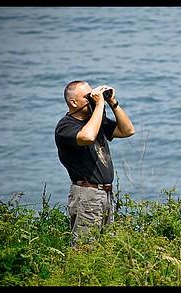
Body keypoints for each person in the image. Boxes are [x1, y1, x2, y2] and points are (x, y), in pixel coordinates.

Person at [55, 80, 135, 245]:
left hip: (105, 194)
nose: (93, 99)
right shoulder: (65, 127)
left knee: (106, 246)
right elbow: (88, 137)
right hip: (86, 194)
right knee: (84, 246)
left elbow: (128, 131)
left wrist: (113, 103)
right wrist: (99, 106)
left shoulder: (96, 121)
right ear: (73, 102)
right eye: (88, 97)